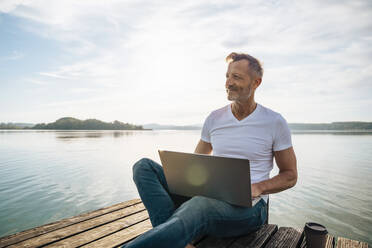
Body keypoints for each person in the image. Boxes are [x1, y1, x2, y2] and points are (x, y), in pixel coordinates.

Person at [122, 52, 298, 248]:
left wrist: (258, 188)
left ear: (256, 83)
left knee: (199, 205)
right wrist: (183, 177)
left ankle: (171, 235)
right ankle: (177, 240)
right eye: (227, 76)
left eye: (236, 77)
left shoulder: (274, 122)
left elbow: (290, 175)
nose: (228, 83)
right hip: (211, 194)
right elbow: (196, 163)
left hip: (250, 209)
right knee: (144, 167)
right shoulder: (215, 118)